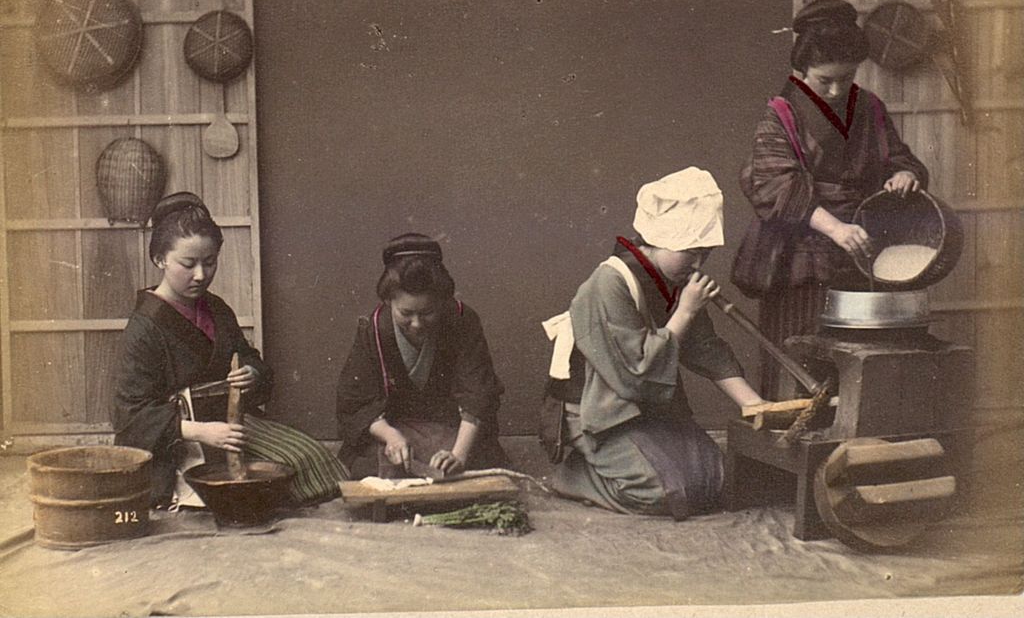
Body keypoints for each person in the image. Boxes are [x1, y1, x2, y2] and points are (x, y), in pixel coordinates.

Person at [737, 0, 930, 399]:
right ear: (799, 69)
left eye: (847, 77)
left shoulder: (869, 107)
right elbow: (775, 184)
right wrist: (836, 229)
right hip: (800, 259)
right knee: (798, 365)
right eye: (825, 80)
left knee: (857, 367)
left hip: (862, 251)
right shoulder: (782, 114)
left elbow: (897, 155)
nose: (837, 89)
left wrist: (904, 173)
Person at [550, 168, 767, 519]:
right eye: (690, 252)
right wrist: (684, 312)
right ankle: (576, 475)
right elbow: (635, 373)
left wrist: (755, 405)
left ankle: (641, 459)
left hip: (646, 409)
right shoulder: (608, 283)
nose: (698, 264)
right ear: (658, 237)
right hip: (598, 414)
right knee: (665, 493)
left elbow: (706, 349)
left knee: (720, 481)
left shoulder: (674, 282)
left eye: (705, 254)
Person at [111, 192, 348, 508]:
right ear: (160, 259)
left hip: (232, 421)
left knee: (311, 459)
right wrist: (200, 431)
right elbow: (129, 419)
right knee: (249, 488)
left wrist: (251, 372)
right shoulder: (144, 328)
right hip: (181, 440)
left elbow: (247, 356)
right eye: (188, 263)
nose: (201, 275)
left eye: (209, 262)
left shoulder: (216, 308)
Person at [336, 233, 508, 478]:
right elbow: (355, 402)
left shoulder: (461, 320)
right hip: (394, 429)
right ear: (388, 301)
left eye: (428, 312)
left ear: (442, 300)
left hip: (452, 430)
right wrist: (391, 437)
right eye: (405, 313)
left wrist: (458, 455)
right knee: (371, 465)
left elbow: (478, 394)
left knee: (470, 465)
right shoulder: (373, 327)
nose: (416, 324)